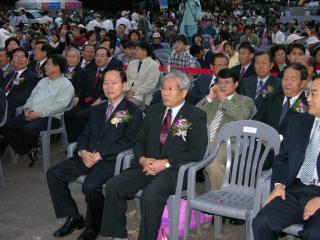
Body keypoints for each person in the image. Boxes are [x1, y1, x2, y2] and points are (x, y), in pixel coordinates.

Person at [100, 71, 208, 240]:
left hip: (174, 171)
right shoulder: (154, 110)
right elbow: (139, 141)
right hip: (146, 166)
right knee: (114, 185)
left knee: (151, 195)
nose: (165, 93)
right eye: (163, 88)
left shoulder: (196, 115)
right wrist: (142, 159)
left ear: (184, 92)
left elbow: (197, 151)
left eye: (170, 89)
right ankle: (117, 234)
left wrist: (164, 163)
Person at [47, 69, 143, 240]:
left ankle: (94, 226)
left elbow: (129, 142)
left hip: (111, 160)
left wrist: (100, 155)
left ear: (124, 85)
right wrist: (83, 151)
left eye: (114, 83)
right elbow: (85, 134)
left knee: (90, 186)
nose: (109, 87)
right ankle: (75, 217)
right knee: (53, 174)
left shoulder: (131, 111)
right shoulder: (99, 109)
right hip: (87, 156)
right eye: (106, 82)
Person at [252, 77, 320, 240]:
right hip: (294, 189)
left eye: (314, 94)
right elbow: (282, 158)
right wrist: (278, 184)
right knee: (262, 222)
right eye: (307, 93)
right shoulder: (298, 122)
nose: (308, 98)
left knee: (315, 234)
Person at [0, 54, 74, 160]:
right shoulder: (43, 81)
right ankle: (26, 148)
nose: (45, 67)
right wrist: (27, 109)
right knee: (7, 126)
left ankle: (28, 146)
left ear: (57, 67)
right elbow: (31, 97)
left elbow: (59, 105)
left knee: (28, 129)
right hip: (31, 113)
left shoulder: (66, 85)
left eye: (48, 64)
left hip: (50, 117)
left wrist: (38, 114)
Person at [197, 68, 255, 191]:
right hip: (204, 140)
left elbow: (242, 115)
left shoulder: (245, 100)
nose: (222, 86)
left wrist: (223, 99)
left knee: (213, 166)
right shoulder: (212, 100)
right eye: (220, 82)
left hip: (227, 141)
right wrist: (209, 97)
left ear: (236, 84)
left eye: (227, 82)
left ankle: (221, 200)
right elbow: (194, 115)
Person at [0, 48, 38, 119]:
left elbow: (24, 97)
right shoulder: (10, 75)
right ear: (11, 61)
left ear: (27, 60)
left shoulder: (31, 77)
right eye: (16, 57)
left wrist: (3, 103)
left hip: (9, 110)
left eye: (22, 57)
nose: (20, 59)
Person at [126, 41, 160, 106]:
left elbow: (150, 86)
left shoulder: (154, 65)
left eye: (137, 50)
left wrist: (134, 92)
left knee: (127, 105)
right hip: (127, 93)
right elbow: (126, 80)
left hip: (142, 96)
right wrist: (127, 90)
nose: (135, 52)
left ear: (145, 51)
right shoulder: (132, 63)